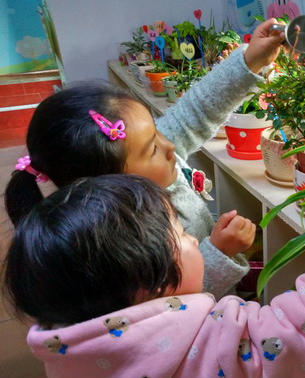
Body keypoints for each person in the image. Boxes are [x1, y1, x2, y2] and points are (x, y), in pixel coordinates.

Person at [4, 154, 305, 378]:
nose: (194, 239)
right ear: (149, 284)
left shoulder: (67, 347)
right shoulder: (220, 351)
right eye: (181, 234)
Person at [3, 18, 285, 299]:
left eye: (156, 131)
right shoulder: (117, 243)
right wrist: (219, 253)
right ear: (109, 186)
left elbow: (196, 111)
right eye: (151, 148)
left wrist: (250, 60)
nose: (169, 145)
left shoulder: (142, 158)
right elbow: (169, 306)